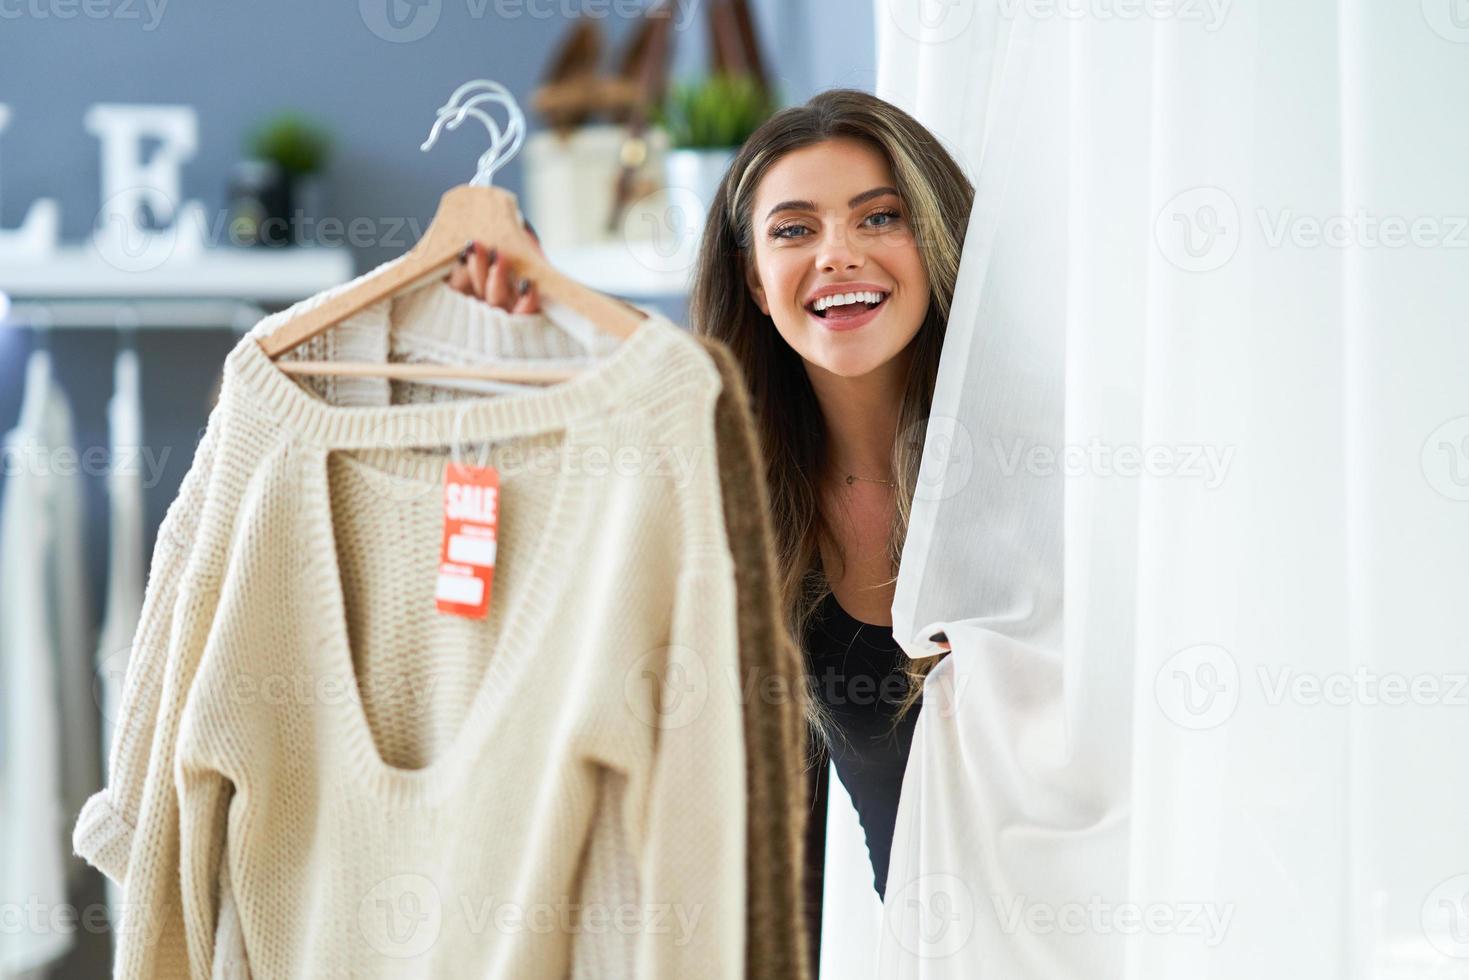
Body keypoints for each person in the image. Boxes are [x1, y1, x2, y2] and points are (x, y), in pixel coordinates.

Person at [449, 87, 972, 977]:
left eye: (879, 217)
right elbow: (779, 857)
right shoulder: (751, 528)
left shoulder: (1039, 471)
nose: (837, 254)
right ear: (756, 284)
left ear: (936, 238)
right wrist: (521, 367)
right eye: (794, 230)